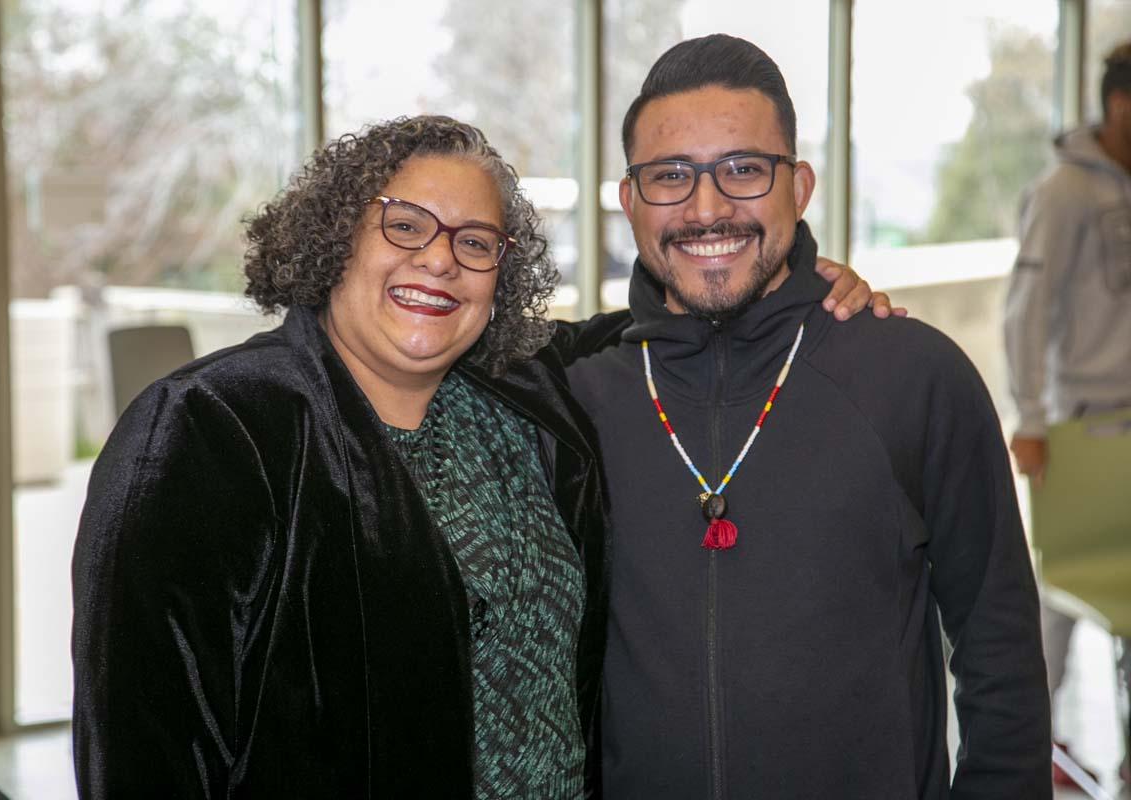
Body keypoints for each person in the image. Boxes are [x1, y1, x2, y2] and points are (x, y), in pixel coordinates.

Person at [71, 114, 884, 798]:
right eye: (405, 224)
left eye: (476, 242)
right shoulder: (210, 430)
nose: (439, 259)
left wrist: (796, 285)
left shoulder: (519, 399)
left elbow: (640, 326)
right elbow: (146, 754)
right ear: (335, 239)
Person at [557, 35, 1052, 798]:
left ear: (800, 187)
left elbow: (1001, 648)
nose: (708, 207)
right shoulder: (577, 401)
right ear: (629, 201)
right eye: (670, 177)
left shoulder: (914, 376)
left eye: (744, 170)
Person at [1005, 40, 1131, 788]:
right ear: (1119, 106)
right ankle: (1032, 747)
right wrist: (1029, 417)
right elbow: (1026, 313)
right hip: (1078, 424)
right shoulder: (1064, 193)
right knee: (1060, 590)